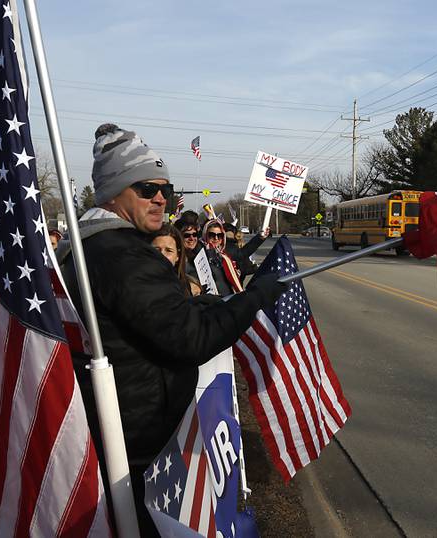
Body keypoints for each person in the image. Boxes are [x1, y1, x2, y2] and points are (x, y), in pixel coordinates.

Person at [56, 123, 286, 536]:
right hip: (137, 443)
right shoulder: (123, 255)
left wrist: (201, 302)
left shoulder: (86, 245)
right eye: (146, 188)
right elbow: (190, 340)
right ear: (113, 192)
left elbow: (141, 316)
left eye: (167, 188)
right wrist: (255, 297)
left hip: (112, 430)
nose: (162, 197)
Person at [149, 223, 201, 296]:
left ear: (177, 256)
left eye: (168, 250)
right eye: (156, 250)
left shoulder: (187, 287)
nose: (162, 255)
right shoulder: (135, 284)